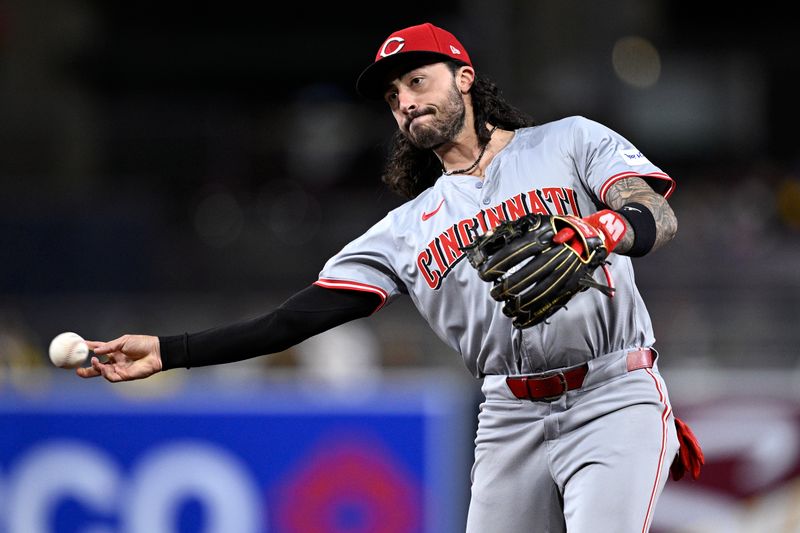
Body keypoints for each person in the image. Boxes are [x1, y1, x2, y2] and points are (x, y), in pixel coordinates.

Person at [78, 22, 701, 533]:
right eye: (393, 95)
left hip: (610, 392)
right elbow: (290, 321)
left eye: (416, 80)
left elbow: (654, 213)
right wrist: (169, 350)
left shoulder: (568, 142)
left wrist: (602, 230)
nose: (404, 100)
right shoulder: (407, 228)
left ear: (463, 78)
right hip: (509, 413)